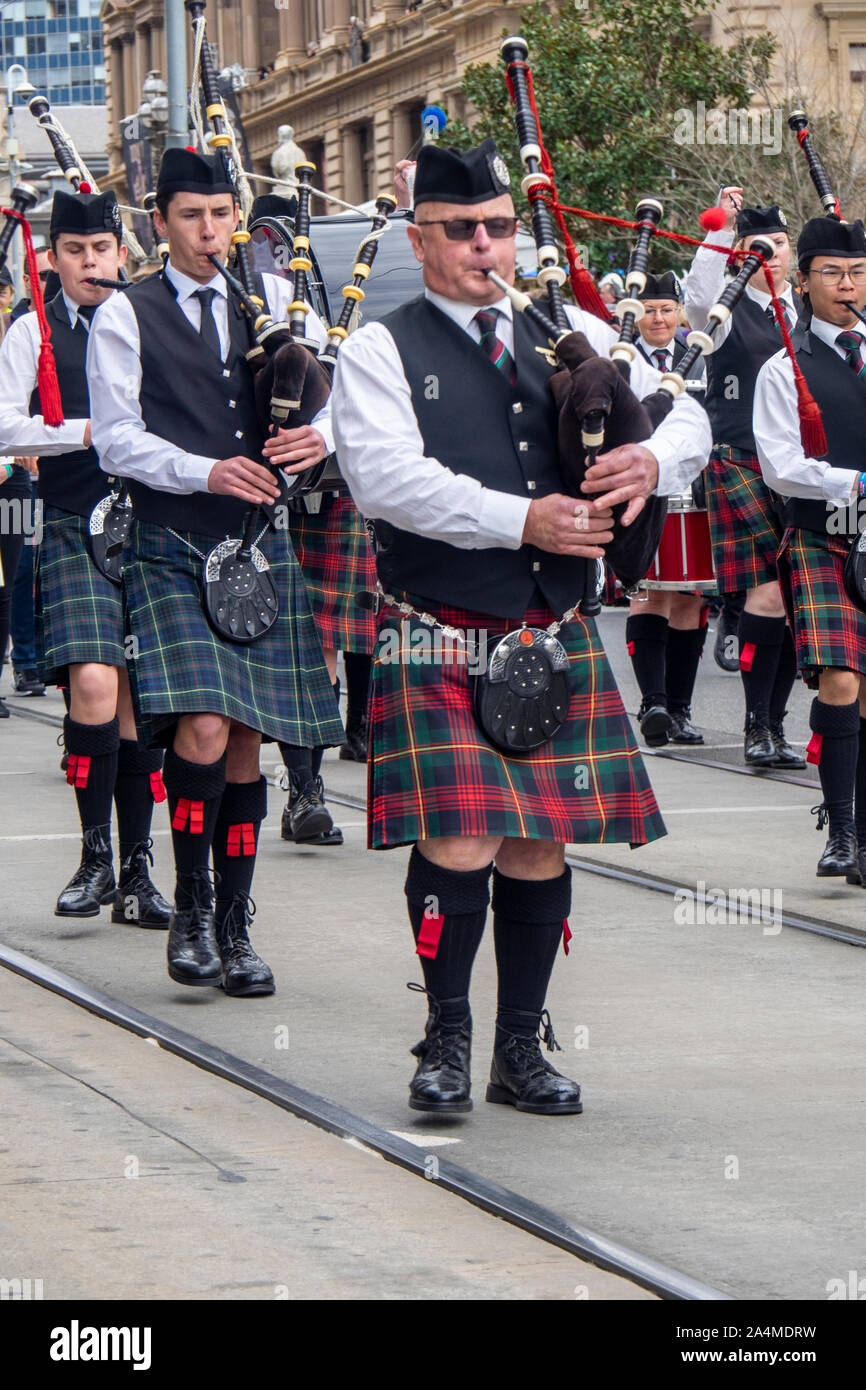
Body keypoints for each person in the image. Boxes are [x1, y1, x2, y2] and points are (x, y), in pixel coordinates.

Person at [332, 139, 711, 1117]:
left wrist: (649, 465)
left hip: (551, 625)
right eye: (460, 230)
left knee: (538, 841)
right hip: (437, 623)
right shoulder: (381, 348)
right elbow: (382, 479)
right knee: (458, 837)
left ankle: (516, 1047)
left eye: (498, 227)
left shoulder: (565, 328)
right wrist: (522, 518)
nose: (484, 246)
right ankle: (444, 1037)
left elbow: (681, 414)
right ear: (420, 240)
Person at [87, 148, 344, 996]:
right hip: (174, 541)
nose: (210, 232)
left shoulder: (271, 303)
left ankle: (235, 923)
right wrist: (205, 471)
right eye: (192, 217)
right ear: (158, 223)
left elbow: (333, 399)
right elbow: (118, 437)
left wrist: (322, 440)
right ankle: (190, 906)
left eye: (223, 215)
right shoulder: (129, 314)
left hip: (258, 547)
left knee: (244, 744)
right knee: (200, 728)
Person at [0, 189, 171, 924]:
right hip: (74, 520)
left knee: (137, 707)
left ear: (121, 253)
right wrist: (88, 432)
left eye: (101, 250)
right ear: (54, 258)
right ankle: (95, 855)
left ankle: (135, 872)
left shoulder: (152, 321)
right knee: (95, 688)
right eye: (75, 252)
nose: (90, 263)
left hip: (156, 528)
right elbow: (6, 427)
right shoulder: (29, 330)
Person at [754, 215, 866, 882]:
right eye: (832, 272)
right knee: (841, 681)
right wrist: (857, 481)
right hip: (826, 535)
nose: (847, 284)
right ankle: (842, 830)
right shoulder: (784, 367)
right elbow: (781, 467)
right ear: (804, 282)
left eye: (856, 272)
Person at [685, 191, 805, 770]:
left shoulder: (810, 310)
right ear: (742, 253)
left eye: (780, 244)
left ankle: (775, 726)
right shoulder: (723, 310)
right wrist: (720, 228)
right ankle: (759, 726)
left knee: (795, 597)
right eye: (759, 246)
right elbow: (699, 291)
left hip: (806, 472)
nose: (771, 254)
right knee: (772, 592)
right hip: (740, 459)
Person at [627, 271, 710, 745]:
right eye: (648, 309)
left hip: (695, 492)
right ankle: (652, 702)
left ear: (679, 312)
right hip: (644, 492)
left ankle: (679, 709)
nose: (657, 318)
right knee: (649, 593)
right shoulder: (623, 358)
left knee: (691, 597)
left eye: (665, 309)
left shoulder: (698, 356)